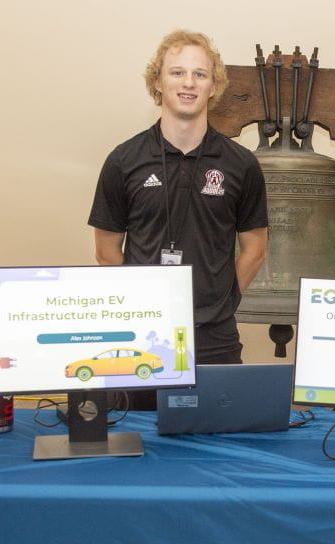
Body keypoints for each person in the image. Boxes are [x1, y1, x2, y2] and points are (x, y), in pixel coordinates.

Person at [88, 30, 268, 365]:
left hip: (216, 335)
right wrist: (141, 304)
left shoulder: (241, 165)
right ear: (157, 82)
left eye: (200, 74)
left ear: (213, 86)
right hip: (142, 333)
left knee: (219, 418)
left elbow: (255, 249)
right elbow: (106, 251)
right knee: (136, 418)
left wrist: (223, 303)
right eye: (177, 72)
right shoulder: (123, 161)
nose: (189, 83)